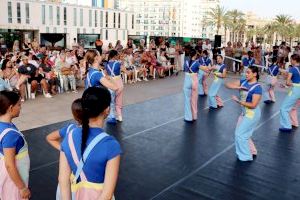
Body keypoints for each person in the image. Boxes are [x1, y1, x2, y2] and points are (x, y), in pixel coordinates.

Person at [59, 87, 121, 200]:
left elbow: (63, 180)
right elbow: (106, 195)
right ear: (107, 109)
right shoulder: (111, 145)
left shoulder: (69, 137)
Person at [226, 66, 262, 161]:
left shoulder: (257, 88)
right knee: (244, 133)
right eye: (245, 72)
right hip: (244, 112)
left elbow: (253, 105)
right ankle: (252, 151)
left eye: (248, 72)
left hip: (252, 113)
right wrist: (237, 87)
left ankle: (246, 156)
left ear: (255, 74)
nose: (246, 74)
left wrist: (238, 101)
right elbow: (227, 84)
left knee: (240, 134)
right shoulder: (244, 81)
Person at [0, 91, 31, 199]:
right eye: (19, 105)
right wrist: (22, 188)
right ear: (10, 108)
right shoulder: (10, 135)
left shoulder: (3, 125)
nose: (20, 108)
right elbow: (9, 165)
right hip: (13, 182)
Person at [183, 49, 210, 122]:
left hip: (187, 81)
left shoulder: (186, 61)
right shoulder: (197, 63)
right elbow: (206, 70)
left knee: (187, 99)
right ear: (195, 55)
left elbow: (184, 70)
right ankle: (194, 116)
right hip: (194, 81)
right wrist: (212, 68)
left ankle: (188, 117)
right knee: (194, 99)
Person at [279, 54, 300, 132]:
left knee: (283, 108)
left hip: (296, 90)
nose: (290, 61)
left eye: (291, 60)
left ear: (294, 60)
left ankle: (287, 126)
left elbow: (288, 82)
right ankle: (294, 123)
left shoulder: (292, 69)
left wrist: (286, 83)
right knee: (293, 108)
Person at [105, 50, 127, 123]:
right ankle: (120, 117)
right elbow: (127, 72)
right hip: (120, 83)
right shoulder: (118, 63)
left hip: (111, 84)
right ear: (114, 56)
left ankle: (112, 117)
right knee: (119, 100)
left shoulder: (106, 64)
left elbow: (106, 75)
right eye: (117, 55)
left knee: (111, 101)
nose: (118, 56)